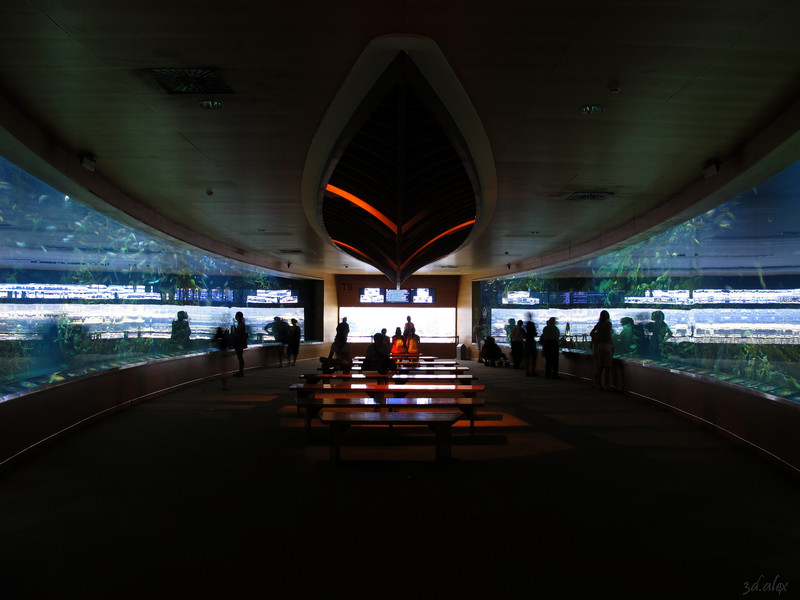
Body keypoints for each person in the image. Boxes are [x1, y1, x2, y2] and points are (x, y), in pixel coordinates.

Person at [590, 310, 614, 391]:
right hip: (606, 346)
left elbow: (591, 333)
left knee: (600, 367)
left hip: (599, 346)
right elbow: (609, 335)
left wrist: (597, 338)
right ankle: (607, 385)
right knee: (607, 367)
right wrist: (613, 345)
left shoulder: (599, 324)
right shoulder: (608, 324)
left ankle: (598, 384)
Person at [233, 311, 248, 377]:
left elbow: (237, 332)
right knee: (240, 357)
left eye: (236, 316)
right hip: (240, 342)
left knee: (240, 357)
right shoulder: (241, 324)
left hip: (239, 343)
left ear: (238, 317)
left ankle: (241, 372)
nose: (235, 317)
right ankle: (240, 371)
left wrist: (233, 325)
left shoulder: (241, 324)